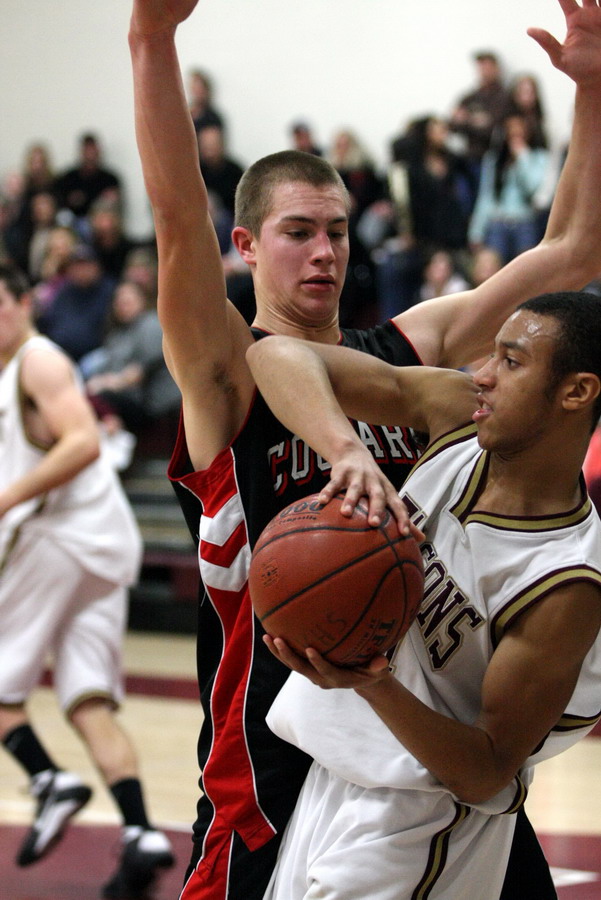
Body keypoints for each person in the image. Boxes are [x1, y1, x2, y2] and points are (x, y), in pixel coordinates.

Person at [128, 0, 601, 897]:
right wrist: (151, 42)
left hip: (421, 751)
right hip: (273, 754)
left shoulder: (406, 354)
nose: (324, 253)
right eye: (297, 232)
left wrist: (593, 92)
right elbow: (176, 219)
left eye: (337, 231)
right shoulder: (225, 372)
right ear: (245, 246)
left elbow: (572, 250)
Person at [247, 290, 601, 900]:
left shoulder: (564, 582)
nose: (482, 375)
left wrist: (371, 681)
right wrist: (346, 449)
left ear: (577, 392)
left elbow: (486, 772)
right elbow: (274, 355)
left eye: (511, 362)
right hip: (333, 781)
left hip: (426, 824)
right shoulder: (460, 415)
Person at [0, 264, 175, 898]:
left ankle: (49, 781)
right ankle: (141, 831)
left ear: (25, 301)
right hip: (100, 548)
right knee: (87, 699)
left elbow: (82, 443)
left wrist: (6, 499)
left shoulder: (38, 360)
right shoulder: (15, 370)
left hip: (63, 539)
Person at [468, 113, 551, 263]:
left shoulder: (539, 158)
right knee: (493, 269)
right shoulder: (493, 160)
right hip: (498, 223)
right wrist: (476, 232)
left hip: (525, 223)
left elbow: (534, 190)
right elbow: (486, 196)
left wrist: (522, 157)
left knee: (526, 269)